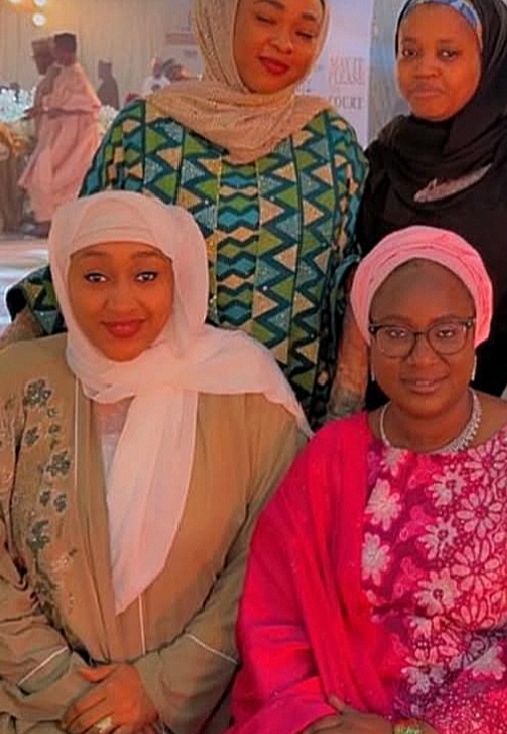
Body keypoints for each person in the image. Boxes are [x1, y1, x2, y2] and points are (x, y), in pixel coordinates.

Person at [229, 225, 507, 734]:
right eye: (395, 332)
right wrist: (315, 720)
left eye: (446, 331)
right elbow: (274, 622)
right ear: (370, 340)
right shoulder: (329, 460)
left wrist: (420, 731)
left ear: (476, 334)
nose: (421, 357)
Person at [4, 0, 367, 427]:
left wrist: (344, 416)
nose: (285, 42)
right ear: (221, 15)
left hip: (291, 422)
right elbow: (85, 255)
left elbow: (353, 280)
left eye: (305, 32)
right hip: (151, 417)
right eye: (266, 19)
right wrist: (20, 338)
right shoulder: (146, 132)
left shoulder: (330, 143)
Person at [0, 189, 307, 734]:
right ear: (64, 281)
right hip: (38, 708)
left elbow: (271, 561)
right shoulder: (16, 383)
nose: (121, 302)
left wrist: (159, 688)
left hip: (208, 709)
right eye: (95, 277)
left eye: (146, 275)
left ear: (179, 277)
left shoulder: (248, 393)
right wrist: (75, 695)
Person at [331, 0, 507, 417]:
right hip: (401, 411)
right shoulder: (385, 158)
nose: (424, 69)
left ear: (492, 59)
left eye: (448, 54)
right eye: (410, 52)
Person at [17, 33, 102, 236]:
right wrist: (42, 109)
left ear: (66, 51)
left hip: (74, 141)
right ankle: (47, 220)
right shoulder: (62, 73)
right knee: (41, 175)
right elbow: (57, 101)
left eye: (56, 50)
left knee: (54, 178)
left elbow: (90, 105)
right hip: (58, 136)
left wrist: (54, 109)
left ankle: (53, 222)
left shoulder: (78, 76)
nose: (53, 54)